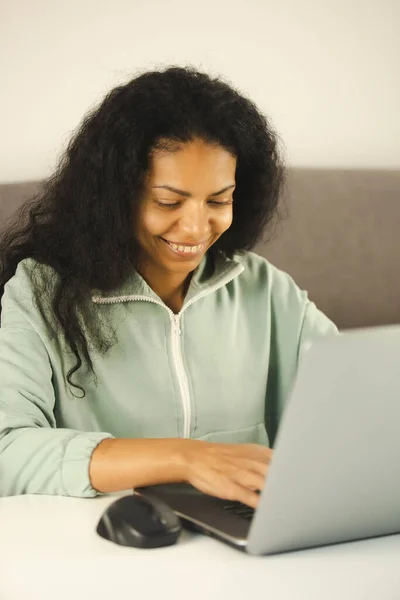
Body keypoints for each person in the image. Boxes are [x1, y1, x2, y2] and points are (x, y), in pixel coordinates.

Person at [0, 65, 337, 506]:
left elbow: (358, 407)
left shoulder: (266, 290)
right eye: (168, 201)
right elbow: (7, 451)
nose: (197, 227)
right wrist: (186, 459)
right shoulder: (40, 295)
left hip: (244, 553)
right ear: (116, 196)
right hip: (95, 552)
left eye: (219, 200)